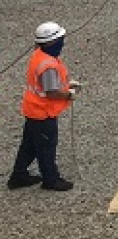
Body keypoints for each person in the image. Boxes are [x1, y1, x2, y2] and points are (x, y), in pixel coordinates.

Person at [8, 22, 79, 192]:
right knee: (46, 148)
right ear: (51, 42)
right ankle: (51, 179)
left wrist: (67, 84)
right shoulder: (48, 66)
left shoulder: (39, 56)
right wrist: (69, 94)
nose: (62, 42)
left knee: (30, 144)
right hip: (43, 113)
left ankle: (18, 175)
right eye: (60, 39)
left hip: (32, 109)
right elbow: (51, 92)